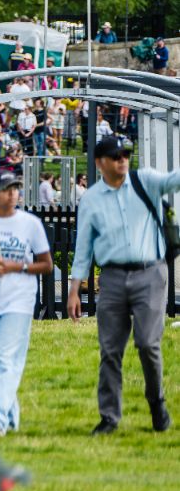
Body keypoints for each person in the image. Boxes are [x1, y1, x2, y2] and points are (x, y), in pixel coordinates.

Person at [68, 135, 180, 434]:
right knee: (110, 350)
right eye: (115, 155)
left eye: (125, 154)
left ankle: (157, 403)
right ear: (99, 162)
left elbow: (174, 181)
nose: (122, 159)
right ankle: (109, 417)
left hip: (150, 274)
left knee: (148, 344)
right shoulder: (91, 199)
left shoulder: (146, 180)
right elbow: (83, 248)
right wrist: (74, 289)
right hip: (113, 277)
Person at [0, 171, 52, 437]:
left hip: (19, 299)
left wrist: (17, 266)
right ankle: (10, 418)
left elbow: (46, 264)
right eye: (7, 189)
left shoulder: (30, 224)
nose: (13, 193)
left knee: (6, 359)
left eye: (16, 188)